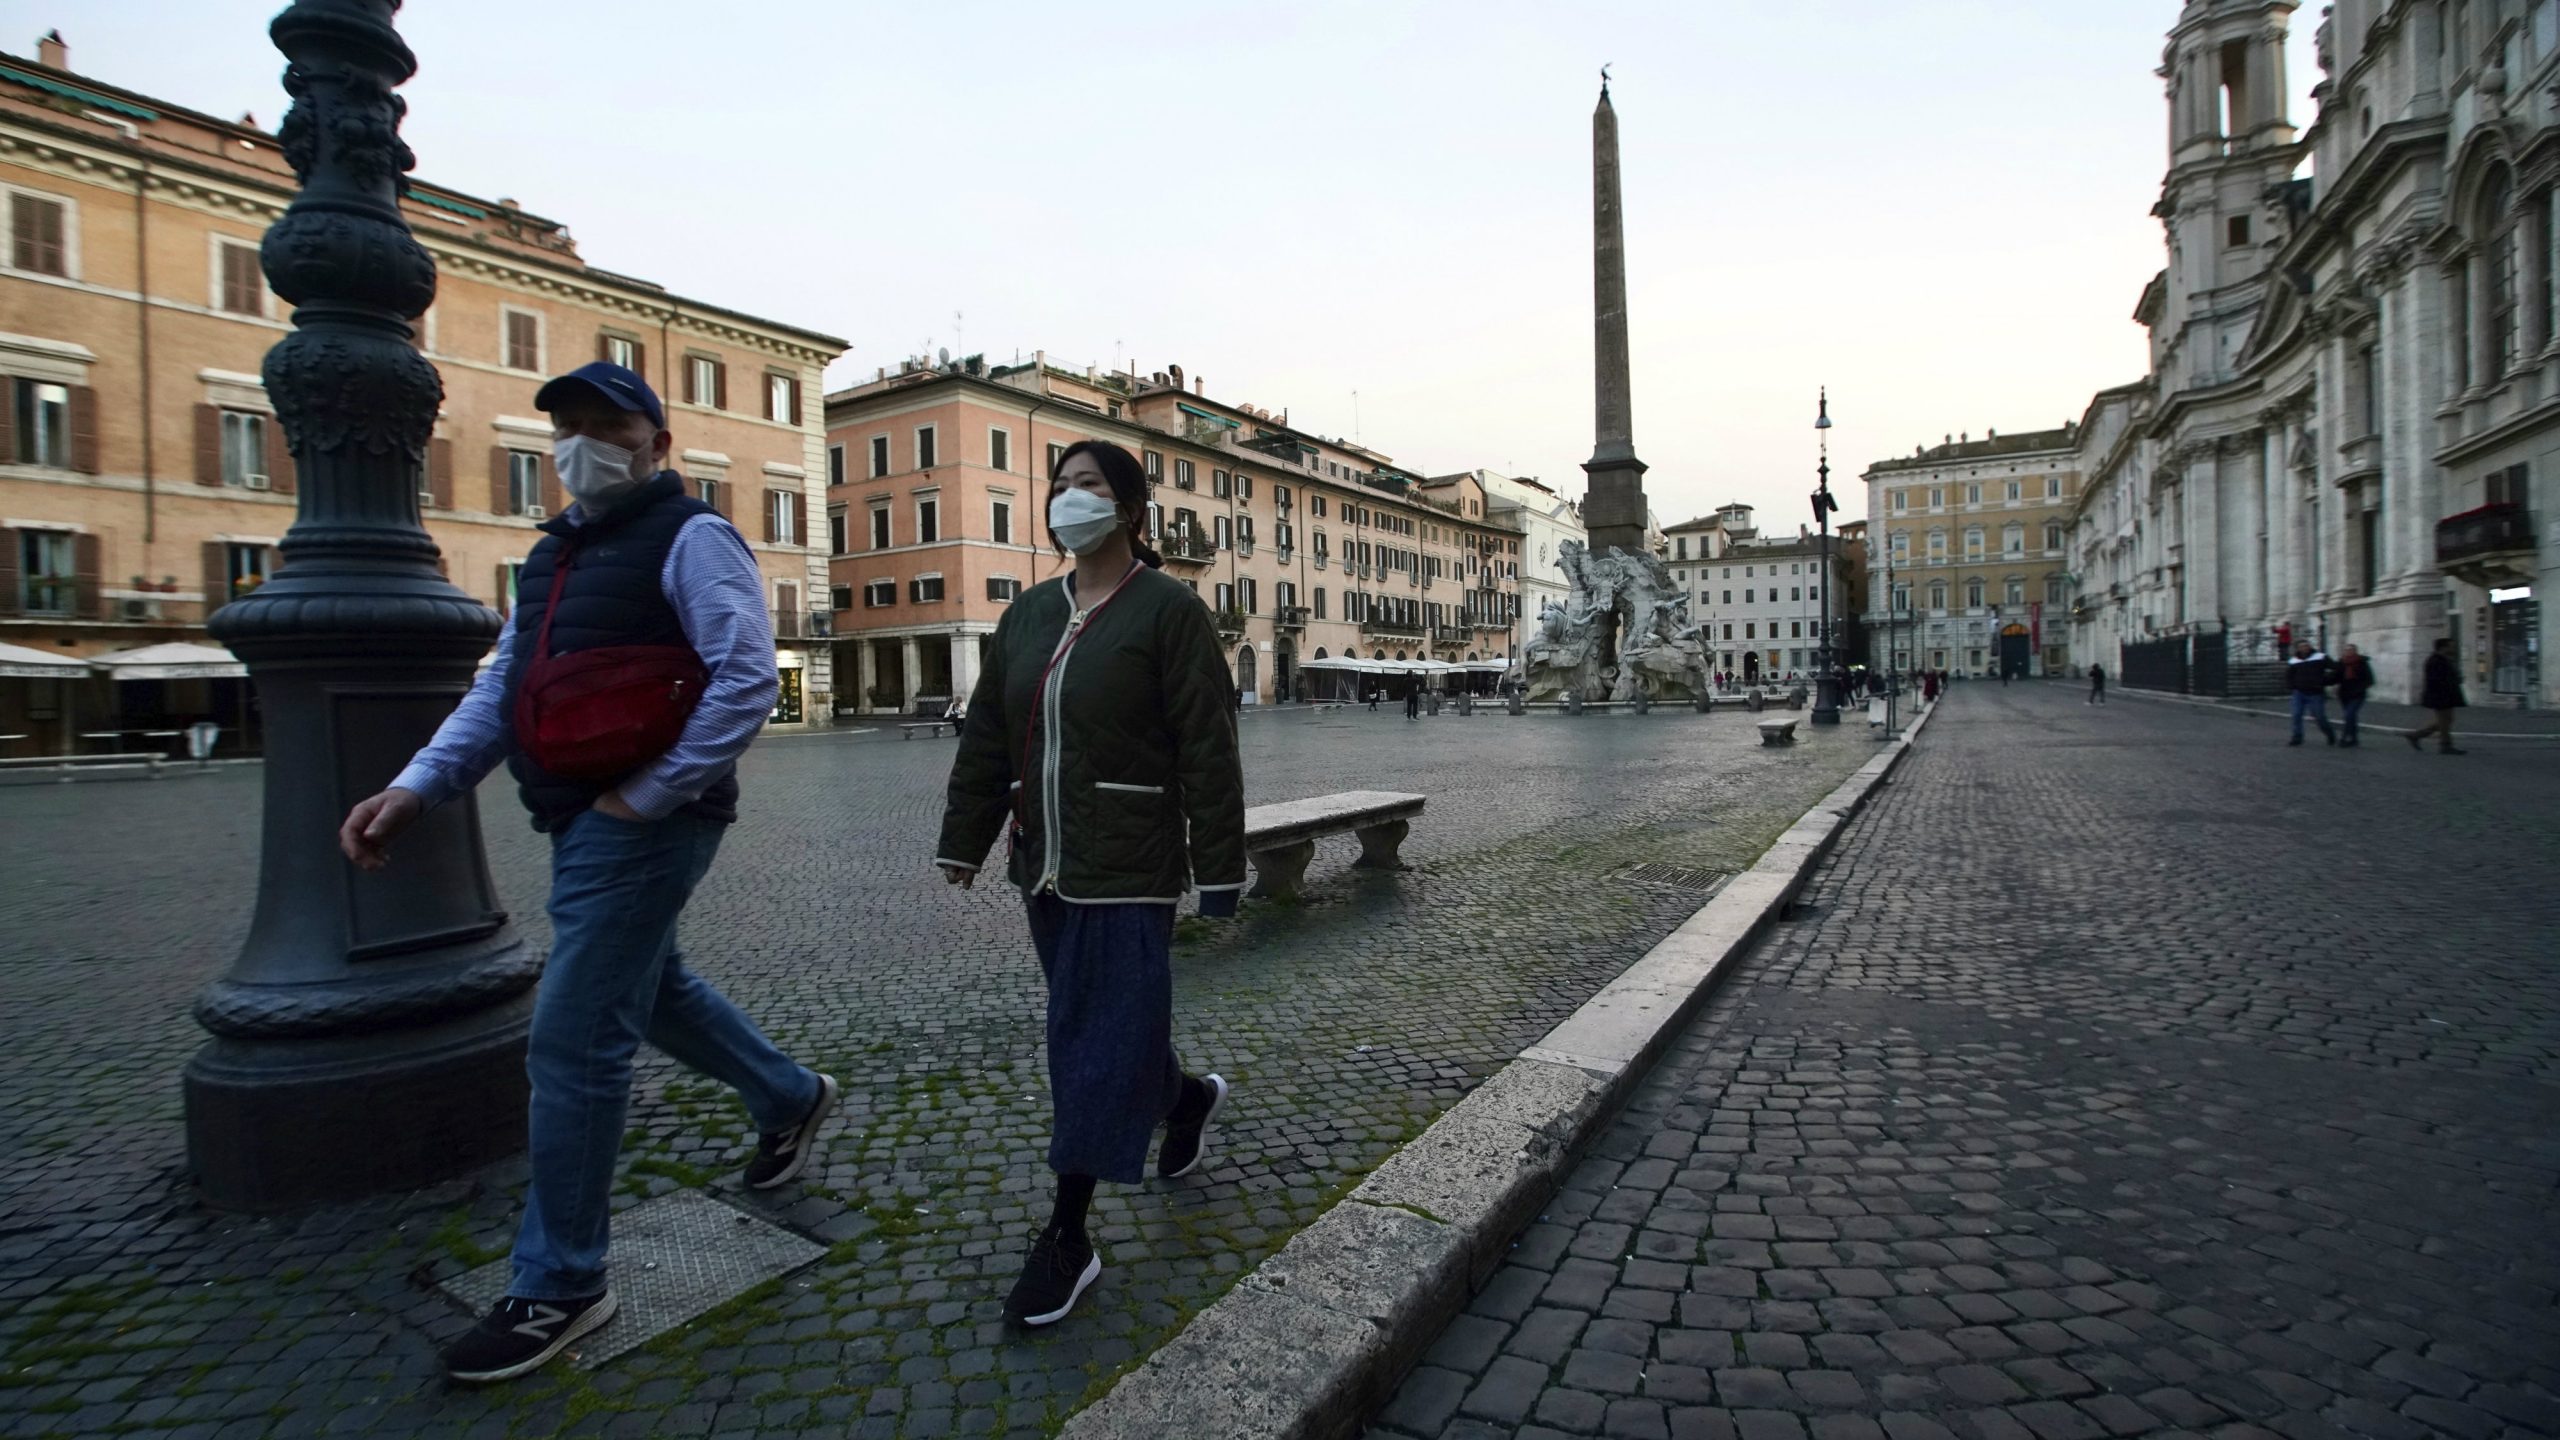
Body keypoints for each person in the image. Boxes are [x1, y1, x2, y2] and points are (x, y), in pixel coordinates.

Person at [339, 362, 835, 1385]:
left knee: (573, 1041)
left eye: (607, 425)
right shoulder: (553, 555)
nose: (581, 445)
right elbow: (503, 689)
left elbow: (746, 678)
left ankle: (562, 1280)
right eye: (566, 426)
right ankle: (787, 1095)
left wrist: (648, 797)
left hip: (641, 819)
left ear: (658, 442)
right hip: (579, 812)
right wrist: (417, 785)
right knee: (650, 992)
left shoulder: (693, 536)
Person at [934, 439, 1246, 1329]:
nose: (1069, 500)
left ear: (1130, 511)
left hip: (1129, 869)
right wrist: (967, 835)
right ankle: (1186, 1101)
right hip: (1044, 867)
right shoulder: (1027, 616)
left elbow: (1208, 748)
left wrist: (1219, 869)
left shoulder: (1169, 611)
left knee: (1087, 1042)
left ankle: (1068, 1235)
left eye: (1090, 487)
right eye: (1060, 486)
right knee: (1109, 1031)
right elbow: (990, 735)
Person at [2407, 637, 2468, 754]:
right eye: (2451, 646)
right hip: (2441, 696)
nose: (2453, 648)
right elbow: (2436, 680)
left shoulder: (2444, 659)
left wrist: (2456, 679)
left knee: (2447, 720)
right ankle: (2445, 745)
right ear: (2443, 647)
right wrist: (2454, 681)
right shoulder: (2435, 661)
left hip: (2446, 695)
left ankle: (2416, 735)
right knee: (2445, 721)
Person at [2285, 639, 2338, 746]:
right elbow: (2289, 675)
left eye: (2306, 646)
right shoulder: (2294, 660)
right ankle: (2297, 737)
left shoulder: (2320, 657)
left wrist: (2326, 680)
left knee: (2319, 716)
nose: (2305, 648)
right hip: (2299, 692)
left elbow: (2335, 668)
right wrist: (2292, 686)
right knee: (2296, 715)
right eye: (2302, 646)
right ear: (2298, 648)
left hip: (2315, 692)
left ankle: (2329, 733)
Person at [2334, 643, 2372, 745]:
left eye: (2351, 650)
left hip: (2357, 694)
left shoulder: (2362, 662)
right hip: (2344, 694)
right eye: (2346, 650)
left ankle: (2345, 737)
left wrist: (2360, 688)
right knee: (2351, 717)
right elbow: (2335, 677)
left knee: (2349, 715)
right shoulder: (2341, 662)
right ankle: (2354, 739)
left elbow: (2370, 679)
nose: (2348, 652)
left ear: (2355, 651)